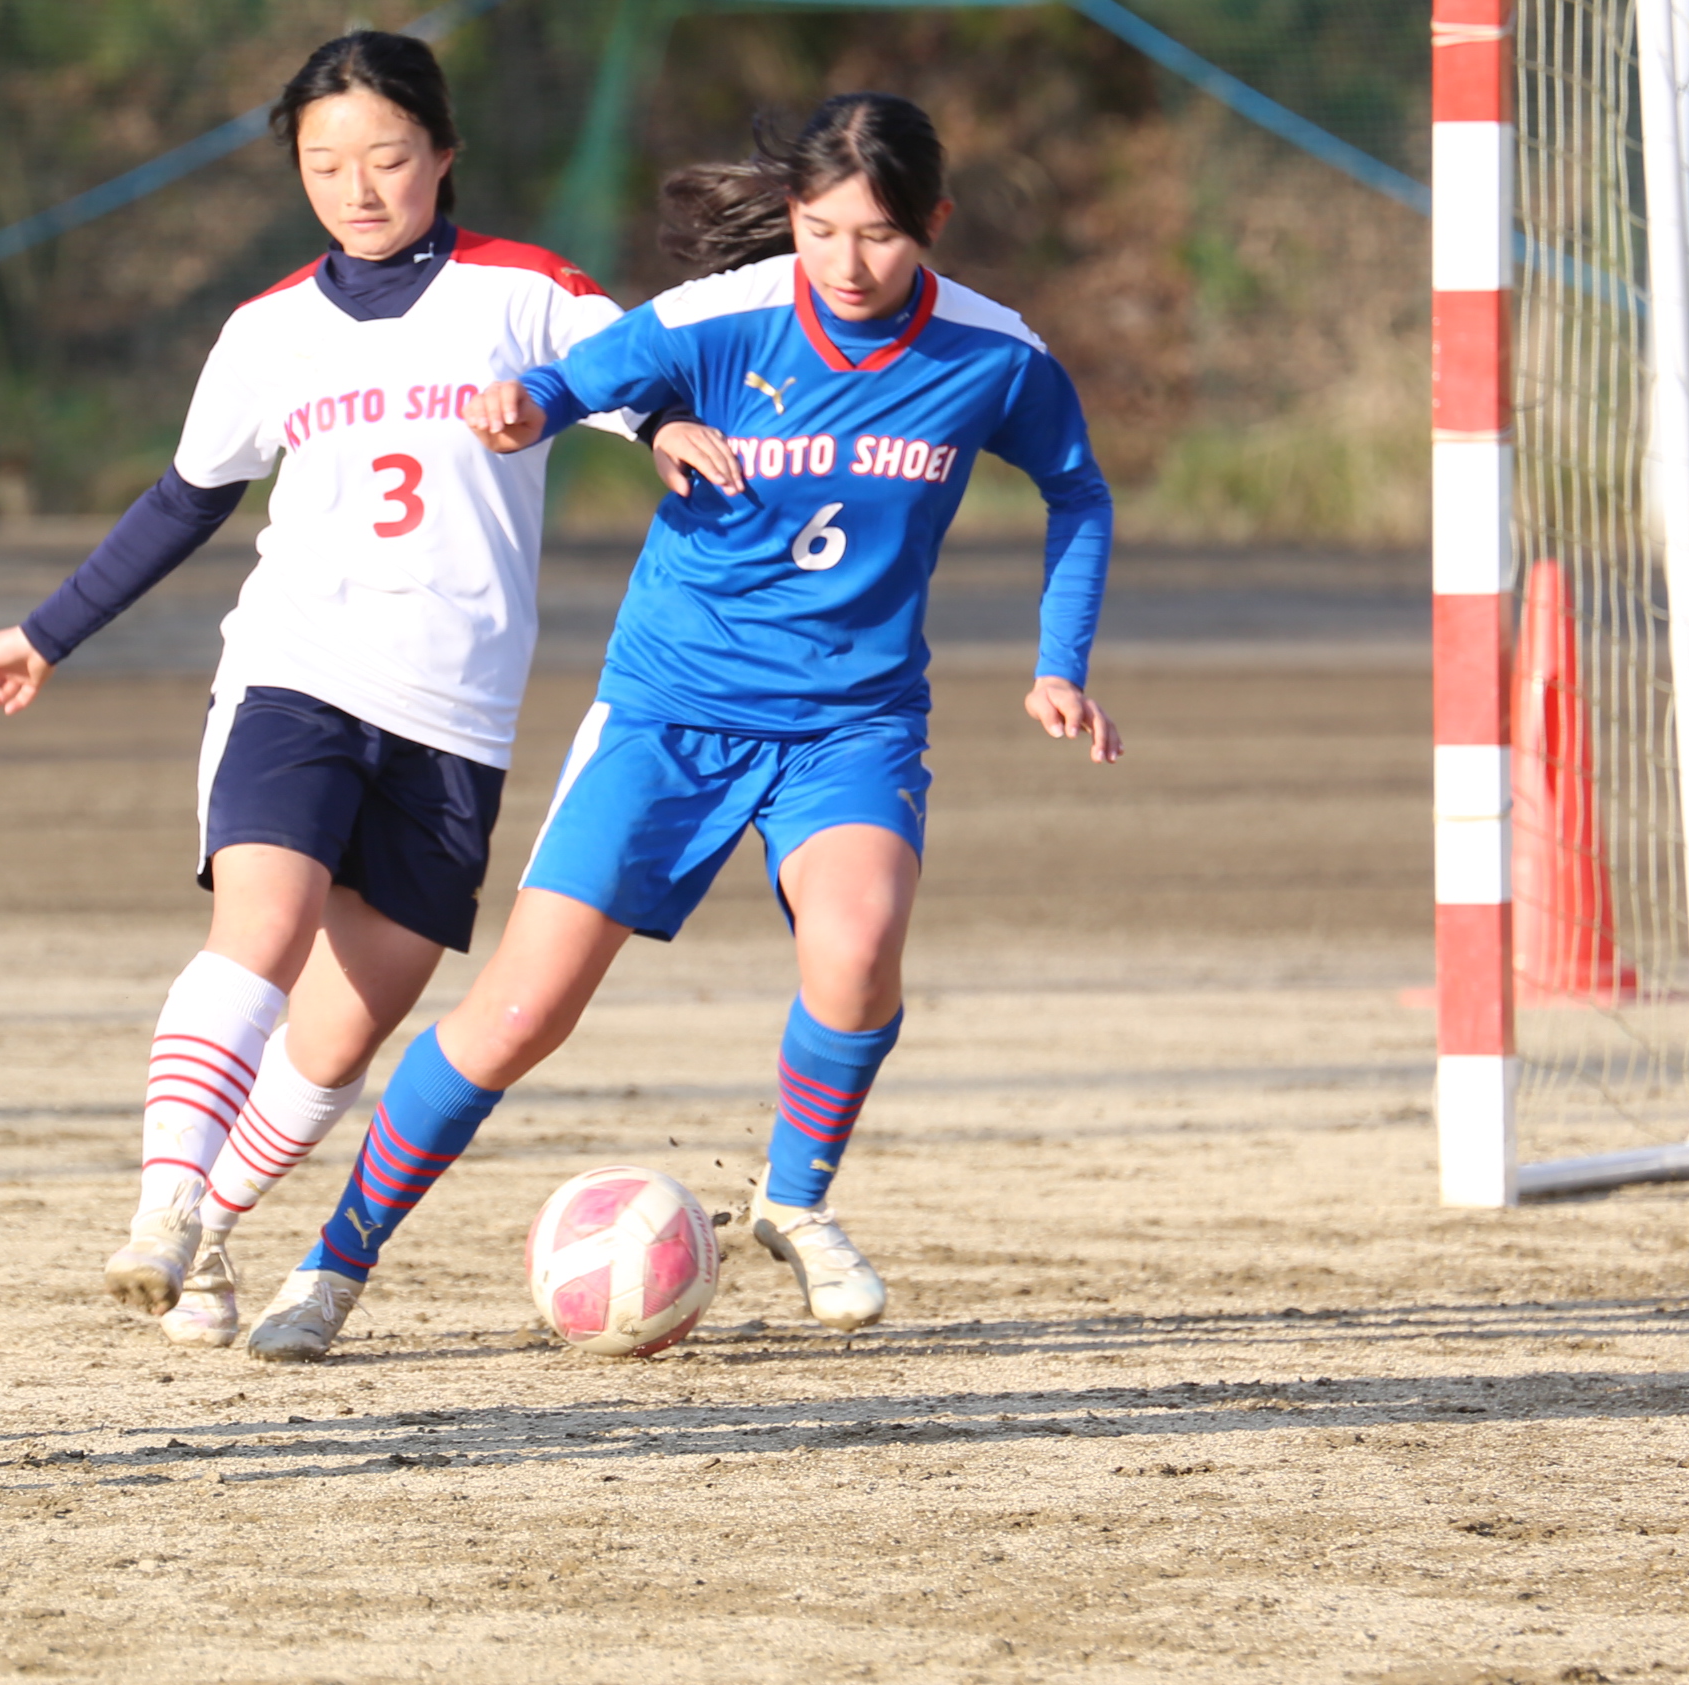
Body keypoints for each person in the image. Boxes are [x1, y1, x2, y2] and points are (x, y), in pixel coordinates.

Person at [232, 90, 1122, 1363]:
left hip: (848, 724)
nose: (846, 264)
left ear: (932, 222)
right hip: (669, 714)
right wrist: (517, 410)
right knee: (518, 1015)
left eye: (876, 234)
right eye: (819, 232)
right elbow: (562, 381)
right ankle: (331, 1266)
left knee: (859, 943)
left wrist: (1060, 662)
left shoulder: (994, 353)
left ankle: (796, 1204)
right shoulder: (722, 317)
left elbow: (1077, 489)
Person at [0, 30, 735, 1344]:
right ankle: (159, 1208)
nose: (359, 188)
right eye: (326, 164)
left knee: (333, 1045)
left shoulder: (524, 292)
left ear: (443, 155)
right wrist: (46, 633)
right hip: (296, 672)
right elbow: (184, 500)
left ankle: (209, 1225)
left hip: (456, 719)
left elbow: (635, 377)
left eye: (386, 157)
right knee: (261, 924)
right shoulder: (267, 332)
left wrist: (666, 431)